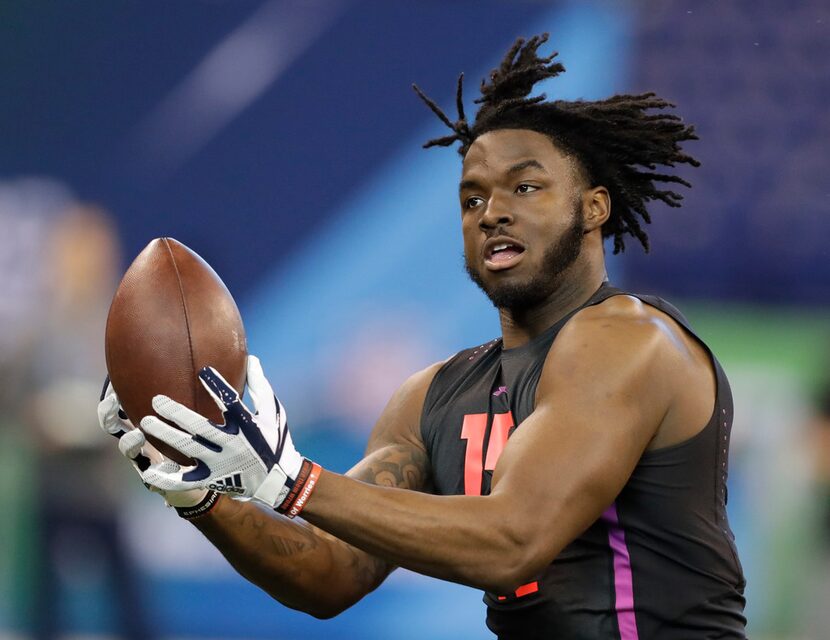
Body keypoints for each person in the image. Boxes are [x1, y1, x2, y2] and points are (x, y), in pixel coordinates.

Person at [99, 35, 747, 638]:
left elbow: (514, 540)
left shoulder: (633, 342)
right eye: (472, 198)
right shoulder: (434, 397)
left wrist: (293, 480)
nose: (492, 211)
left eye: (525, 187)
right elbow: (330, 574)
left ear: (594, 208)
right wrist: (200, 493)